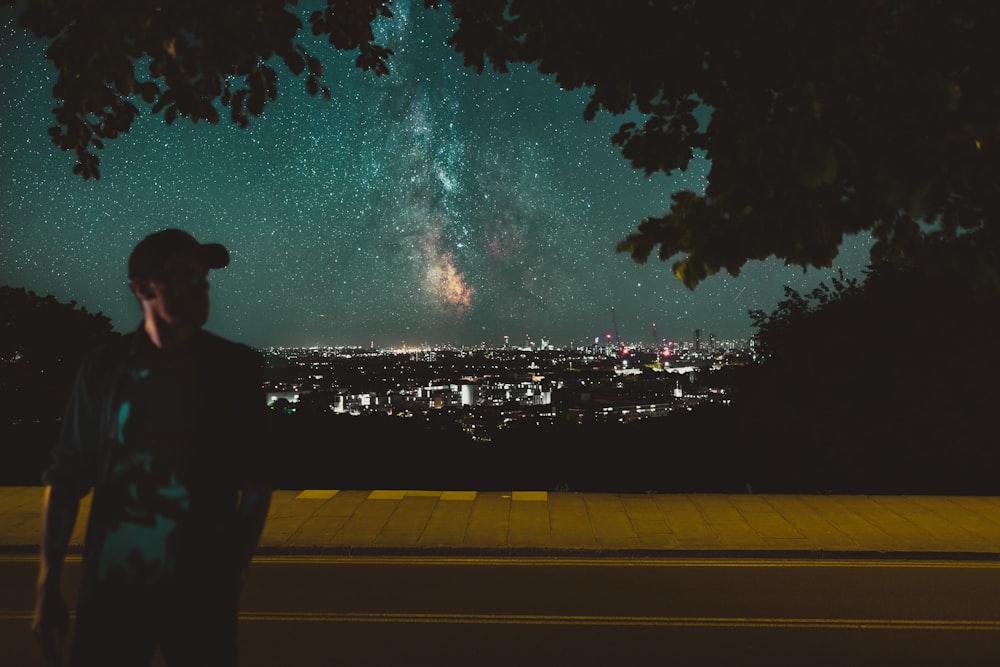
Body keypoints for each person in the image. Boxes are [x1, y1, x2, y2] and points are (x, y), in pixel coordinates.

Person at [32, 228, 273, 666]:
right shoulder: (104, 367)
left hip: (200, 591)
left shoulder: (234, 368)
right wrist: (48, 588)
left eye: (203, 276)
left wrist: (232, 569)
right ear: (142, 288)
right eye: (184, 275)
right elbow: (66, 476)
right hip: (113, 589)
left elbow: (257, 482)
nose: (201, 286)